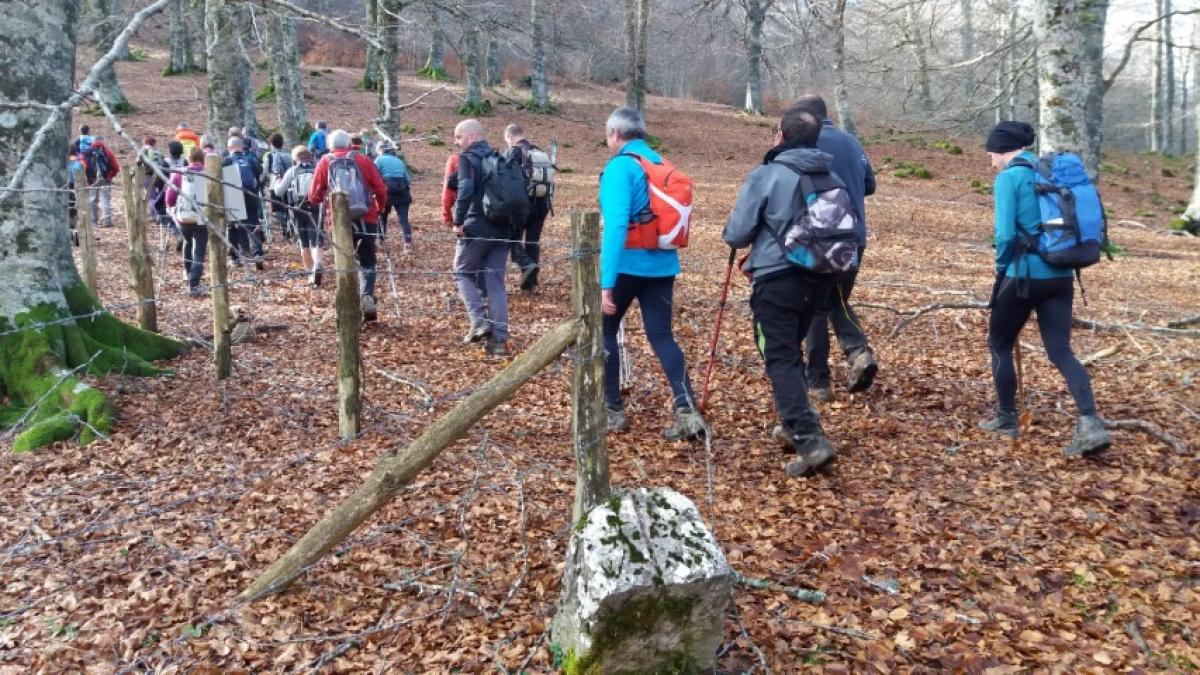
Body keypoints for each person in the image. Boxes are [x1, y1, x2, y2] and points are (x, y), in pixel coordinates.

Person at [980, 121, 1111, 457]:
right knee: (1060, 351)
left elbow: (1006, 234)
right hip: (1061, 275)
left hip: (1023, 275)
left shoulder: (1009, 178)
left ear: (1001, 149)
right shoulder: (1048, 172)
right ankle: (1090, 423)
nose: (991, 160)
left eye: (991, 153)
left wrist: (1000, 267)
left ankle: (1006, 418)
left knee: (999, 343)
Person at [722, 106, 841, 476]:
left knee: (781, 358)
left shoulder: (769, 174)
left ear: (780, 136)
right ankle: (793, 427)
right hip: (821, 277)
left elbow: (737, 232)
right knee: (790, 355)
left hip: (778, 278)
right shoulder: (830, 174)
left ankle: (809, 439)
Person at [598, 107, 706, 440]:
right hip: (662, 265)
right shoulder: (660, 165)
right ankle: (686, 408)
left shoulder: (620, 168)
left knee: (604, 332)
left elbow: (616, 226)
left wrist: (606, 283)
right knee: (661, 336)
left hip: (627, 265)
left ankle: (612, 410)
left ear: (616, 134)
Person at [789, 95, 879, 401]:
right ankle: (857, 352)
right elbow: (870, 184)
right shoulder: (851, 142)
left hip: (821, 238)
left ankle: (818, 382)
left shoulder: (805, 142)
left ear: (806, 117)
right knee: (836, 299)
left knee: (815, 306)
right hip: (855, 236)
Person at [308, 129, 388, 320]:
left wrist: (322, 197)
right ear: (350, 145)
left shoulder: (325, 162)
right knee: (367, 260)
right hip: (366, 217)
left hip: (338, 220)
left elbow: (313, 196)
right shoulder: (363, 160)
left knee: (344, 262)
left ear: (330, 146)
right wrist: (380, 208)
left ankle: (348, 302)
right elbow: (380, 188)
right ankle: (366, 294)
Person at [451, 119, 514, 356]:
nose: (457, 142)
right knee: (495, 281)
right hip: (503, 228)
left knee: (461, 272)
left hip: (477, 226)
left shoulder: (468, 158)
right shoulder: (501, 158)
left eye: (459, 137)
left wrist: (458, 221)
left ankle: (478, 321)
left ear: (472, 136)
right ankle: (498, 341)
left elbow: (465, 189)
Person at [504, 124, 552, 292]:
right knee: (532, 242)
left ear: (510, 136)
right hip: (542, 203)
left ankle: (527, 264)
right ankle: (529, 284)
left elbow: (502, 177)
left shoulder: (513, 152)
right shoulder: (539, 152)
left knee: (511, 237)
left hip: (522, 205)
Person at [274, 146, 323, 286]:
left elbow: (278, 192)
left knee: (304, 241)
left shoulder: (292, 171)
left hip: (297, 209)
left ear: (295, 158)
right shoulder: (317, 169)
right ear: (309, 156)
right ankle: (318, 265)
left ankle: (310, 273)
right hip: (315, 207)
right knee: (316, 240)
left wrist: (277, 180)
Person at [166, 148, 209, 296]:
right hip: (202, 216)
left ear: (189, 159)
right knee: (199, 249)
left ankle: (186, 272)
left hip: (183, 217)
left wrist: (171, 208)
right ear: (203, 159)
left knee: (187, 242)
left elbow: (170, 196)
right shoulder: (208, 173)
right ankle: (194, 284)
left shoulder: (179, 173)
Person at [221, 136, 265, 268]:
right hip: (251, 194)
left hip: (234, 194)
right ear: (242, 147)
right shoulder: (250, 160)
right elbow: (260, 173)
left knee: (232, 227)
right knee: (253, 223)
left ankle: (233, 257)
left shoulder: (227, 161)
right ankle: (257, 253)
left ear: (229, 148)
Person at [374, 142, 413, 250]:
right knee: (404, 219)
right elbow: (408, 179)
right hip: (402, 192)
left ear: (381, 150)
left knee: (382, 217)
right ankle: (407, 243)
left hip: (386, 192)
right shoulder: (400, 161)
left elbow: (375, 175)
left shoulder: (379, 160)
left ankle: (381, 240)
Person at [84, 135, 119, 228]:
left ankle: (93, 222)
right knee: (106, 200)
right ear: (102, 141)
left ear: (93, 141)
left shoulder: (87, 152)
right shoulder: (107, 152)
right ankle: (107, 221)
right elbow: (116, 167)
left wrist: (87, 178)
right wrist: (110, 176)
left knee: (92, 200)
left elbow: (83, 166)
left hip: (92, 180)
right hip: (106, 178)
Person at [264, 132, 294, 242]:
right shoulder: (289, 155)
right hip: (289, 185)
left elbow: (265, 171)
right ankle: (290, 227)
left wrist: (262, 181)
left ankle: (285, 228)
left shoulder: (270, 156)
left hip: (275, 185)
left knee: (277, 209)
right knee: (287, 207)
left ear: (271, 144)